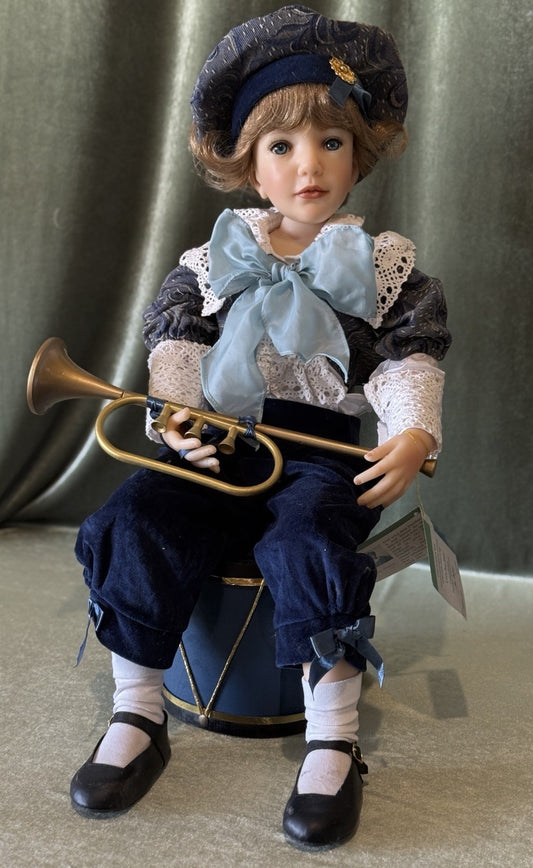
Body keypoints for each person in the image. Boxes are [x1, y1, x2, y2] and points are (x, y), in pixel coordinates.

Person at [70, 5, 451, 850]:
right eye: (280, 146)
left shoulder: (384, 271)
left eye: (329, 141)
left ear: (358, 153)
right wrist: (177, 420)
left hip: (319, 452)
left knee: (309, 538)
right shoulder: (209, 264)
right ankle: (137, 711)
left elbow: (404, 365)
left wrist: (412, 433)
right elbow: (176, 350)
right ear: (246, 163)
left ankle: (333, 737)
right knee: (136, 516)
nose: (307, 164)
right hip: (219, 442)